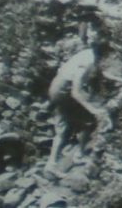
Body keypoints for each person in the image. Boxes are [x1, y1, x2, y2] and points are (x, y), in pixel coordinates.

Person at [45, 24, 111, 173]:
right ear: (103, 51)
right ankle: (67, 159)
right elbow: (76, 92)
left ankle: (54, 161)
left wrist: (117, 79)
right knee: (84, 122)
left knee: (66, 127)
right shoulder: (86, 62)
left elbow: (98, 72)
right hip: (62, 94)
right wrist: (93, 109)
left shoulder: (89, 54)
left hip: (58, 89)